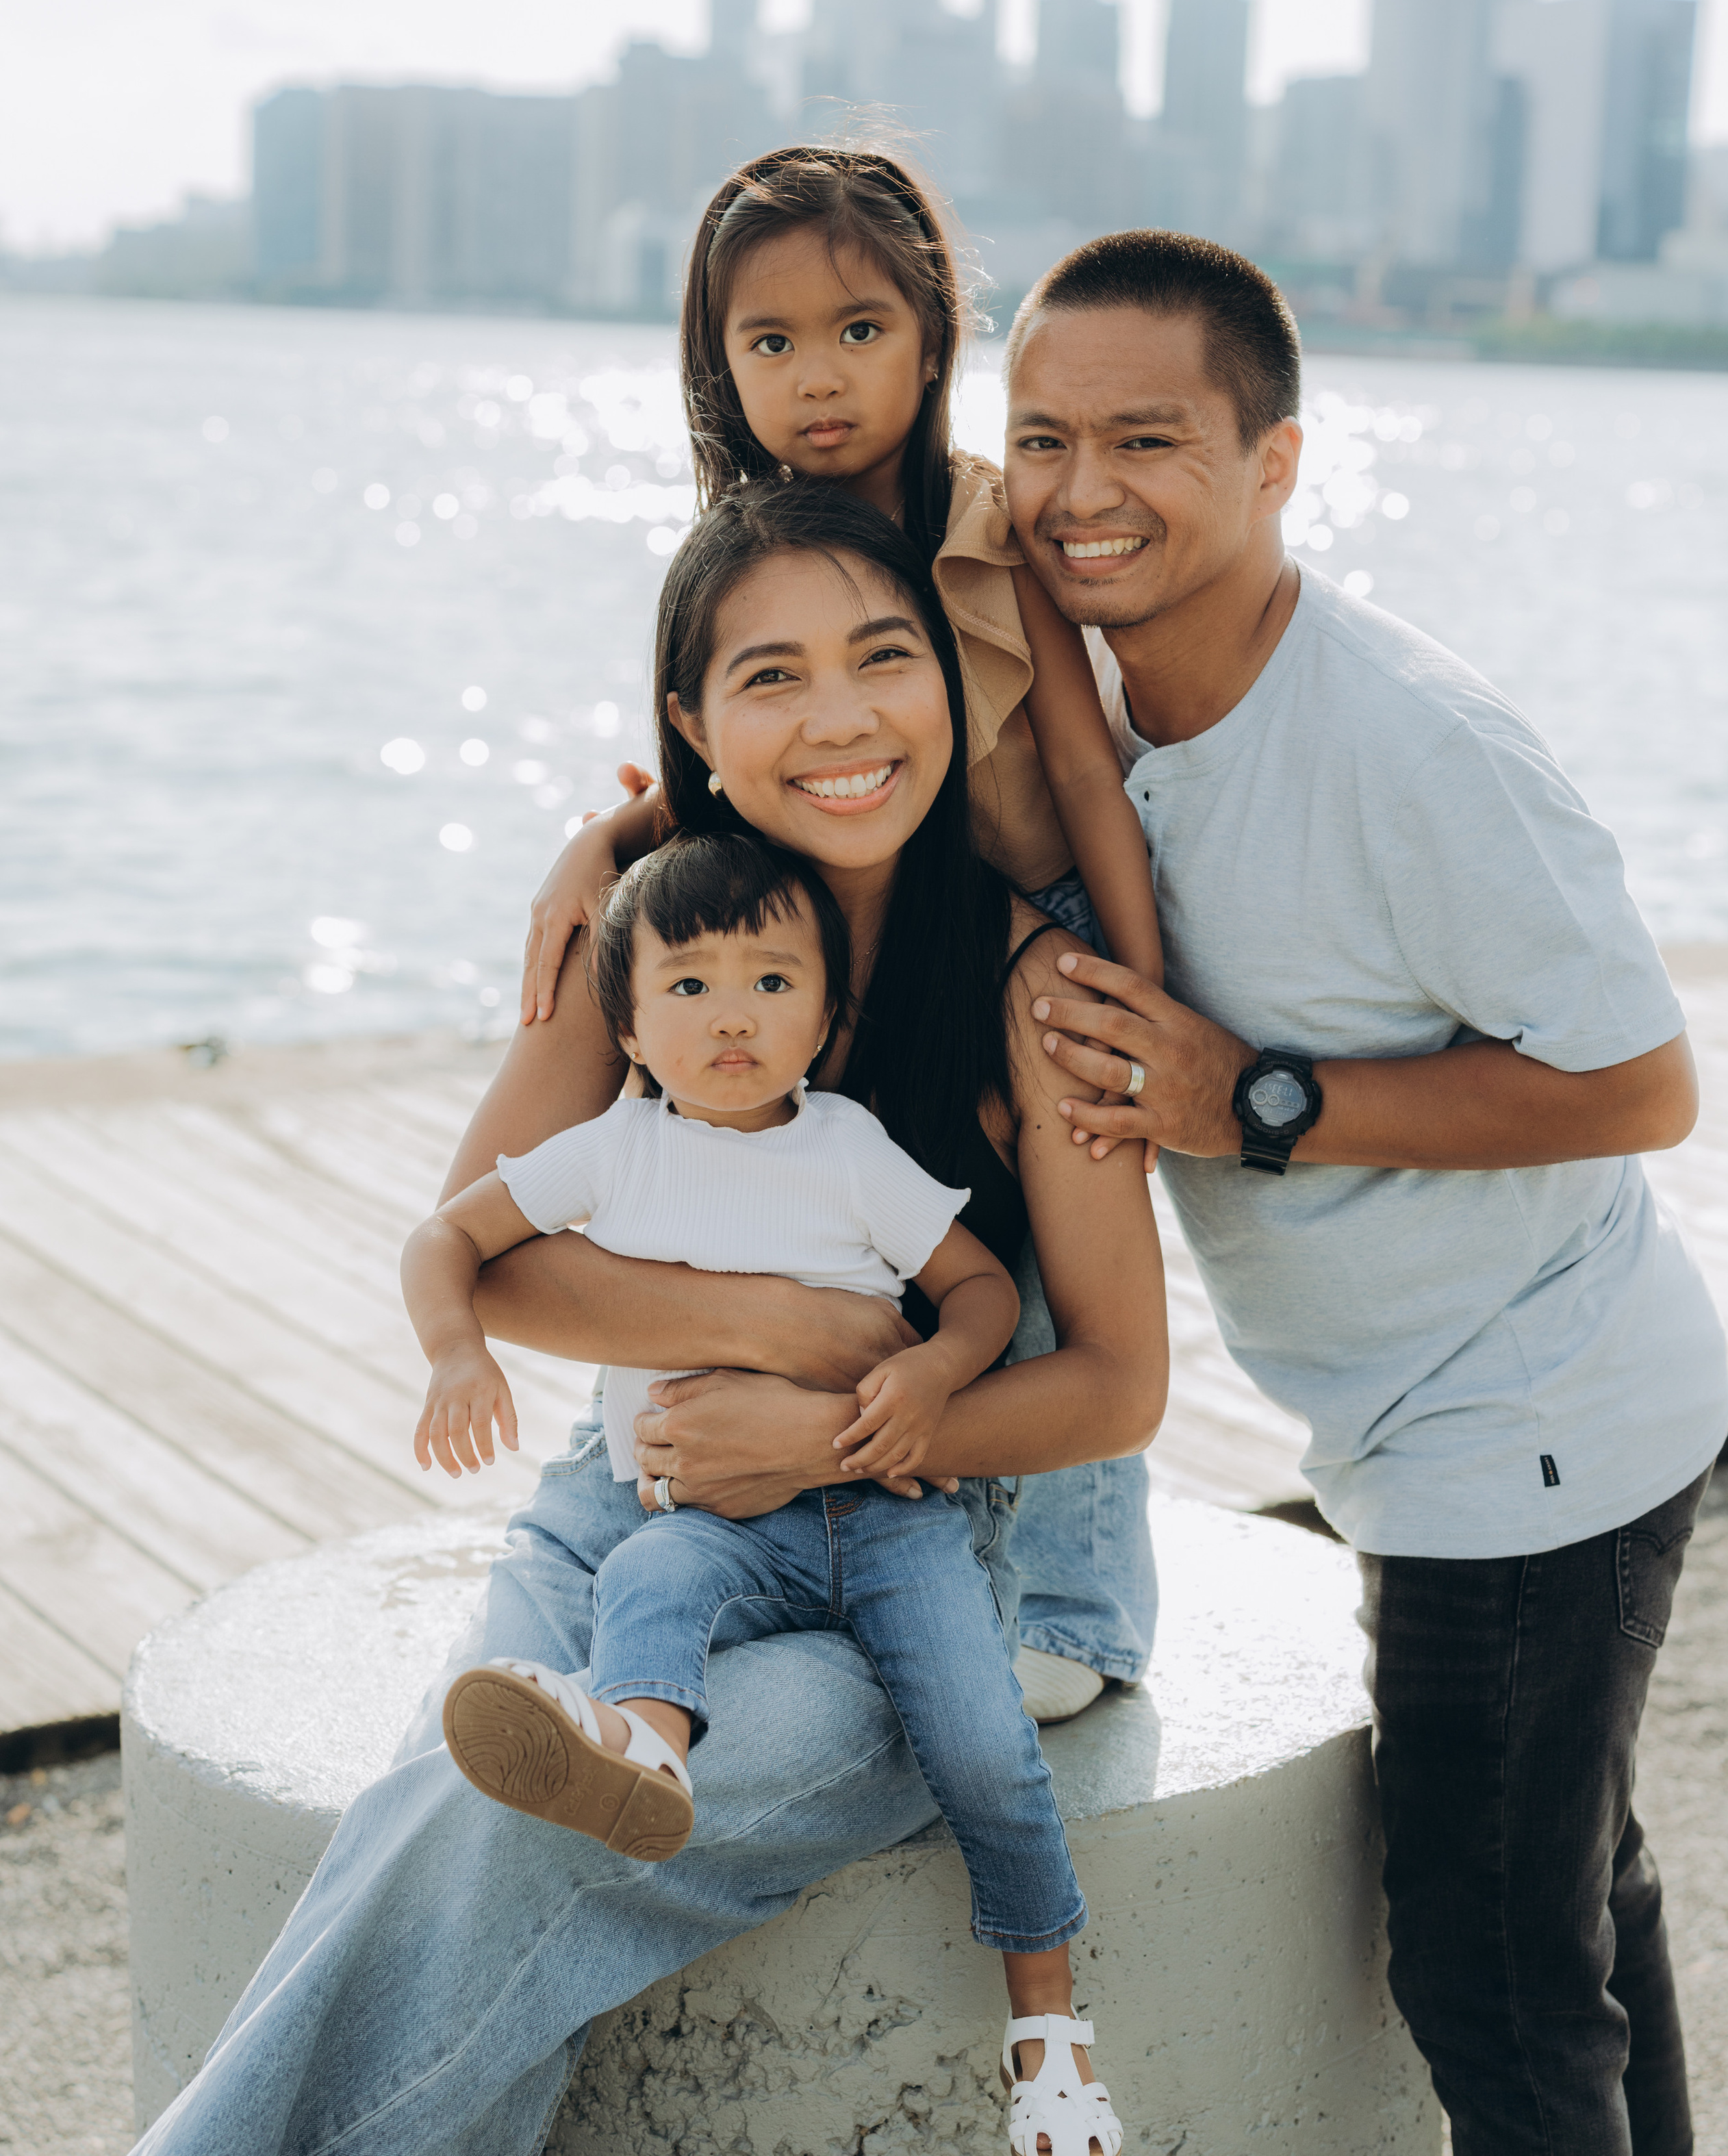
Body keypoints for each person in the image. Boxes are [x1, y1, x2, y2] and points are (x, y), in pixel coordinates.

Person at [134, 480, 1167, 2156]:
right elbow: (479, 1251)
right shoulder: (658, 936)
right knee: (464, 1780)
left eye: (883, 657)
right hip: (628, 1522)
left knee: (517, 1830)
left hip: (918, 1576)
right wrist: (782, 1327)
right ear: (686, 720)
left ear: (954, 688)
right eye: (768, 677)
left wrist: (835, 1422)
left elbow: (1119, 1385)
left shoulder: (1022, 988)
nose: (837, 717)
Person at [998, 227, 1728, 2156]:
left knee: (1489, 1985)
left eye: (1145, 440)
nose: (1083, 492)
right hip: (1438, 1420)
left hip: (1532, 1432)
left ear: (1278, 464)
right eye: (1042, 438)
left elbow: (1642, 1080)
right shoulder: (1098, 704)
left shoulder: (1414, 739)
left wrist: (1259, 1101)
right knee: (1579, 1911)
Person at [521, 143, 1164, 1725]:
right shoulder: (745, 540)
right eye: (771, 342)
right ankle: (773, 1489)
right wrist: (593, 854)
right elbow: (714, 773)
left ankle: (1069, 1590)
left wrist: (1142, 988)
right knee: (846, 1204)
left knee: (1026, 1257)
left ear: (936, 334)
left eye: (860, 331)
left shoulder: (983, 524)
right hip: (829, 926)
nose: (819, 378)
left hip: (1025, 916)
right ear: (715, 362)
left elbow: (1083, 763)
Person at [401, 827, 1122, 2154]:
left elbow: (970, 1284)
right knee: (645, 1574)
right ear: (624, 1022)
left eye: (770, 983)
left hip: (886, 1513)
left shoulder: (847, 1148)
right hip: (717, 1524)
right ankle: (648, 1754)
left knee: (982, 1747)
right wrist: (457, 1354)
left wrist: (940, 1381)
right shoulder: (611, 1152)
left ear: (827, 1016)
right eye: (686, 987)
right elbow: (448, 1232)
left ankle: (1050, 2034)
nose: (729, 1016)